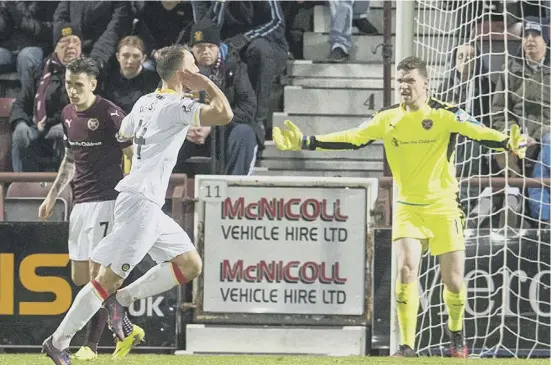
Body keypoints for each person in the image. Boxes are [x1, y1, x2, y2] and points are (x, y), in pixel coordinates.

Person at [272, 56, 527, 358]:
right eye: (401, 81)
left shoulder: (446, 114)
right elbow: (353, 138)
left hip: (444, 207)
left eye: (410, 81)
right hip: (407, 207)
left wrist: (505, 142)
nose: (404, 87)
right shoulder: (387, 117)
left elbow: (479, 132)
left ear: (425, 84)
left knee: (454, 281)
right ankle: (407, 346)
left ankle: (456, 334)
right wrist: (307, 141)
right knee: (406, 271)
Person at [41, 44, 233, 365]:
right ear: (183, 74)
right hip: (141, 201)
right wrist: (207, 86)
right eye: (194, 67)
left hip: (144, 200)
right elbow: (224, 114)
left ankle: (123, 302)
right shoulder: (176, 105)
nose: (198, 71)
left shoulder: (145, 101)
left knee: (190, 265)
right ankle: (58, 342)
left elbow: (123, 134)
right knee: (106, 280)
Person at [38, 57, 133, 361]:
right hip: (81, 204)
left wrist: (130, 193)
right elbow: (69, 159)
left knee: (97, 276)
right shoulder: (67, 114)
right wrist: (52, 196)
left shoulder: (109, 113)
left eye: (78, 85)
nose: (72, 91)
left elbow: (134, 153)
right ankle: (118, 311)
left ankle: (91, 346)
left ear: (93, 84)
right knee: (81, 277)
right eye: (68, 84)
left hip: (108, 201)